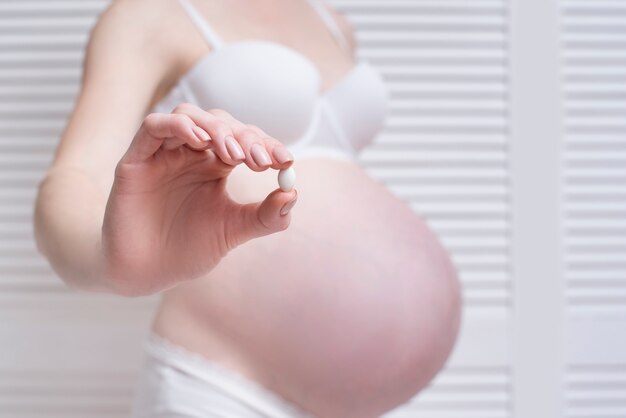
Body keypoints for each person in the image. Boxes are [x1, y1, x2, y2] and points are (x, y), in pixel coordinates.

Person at [33, 0, 462, 416]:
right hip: (220, 387)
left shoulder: (332, 23)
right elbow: (74, 183)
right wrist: (113, 262)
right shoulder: (149, 13)